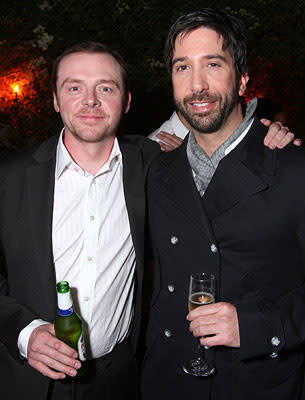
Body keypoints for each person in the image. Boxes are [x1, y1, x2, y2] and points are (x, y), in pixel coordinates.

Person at [142, 8, 305, 400]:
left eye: (213, 64)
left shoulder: (294, 168)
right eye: (182, 68)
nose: (197, 85)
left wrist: (257, 327)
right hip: (167, 382)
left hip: (256, 383)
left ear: (243, 78)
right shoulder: (156, 172)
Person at [0, 41, 159, 399]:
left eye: (105, 87)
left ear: (127, 101)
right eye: (74, 87)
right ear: (56, 100)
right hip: (28, 381)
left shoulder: (151, 166)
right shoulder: (9, 179)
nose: (90, 101)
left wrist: (266, 133)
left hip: (116, 380)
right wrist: (24, 332)